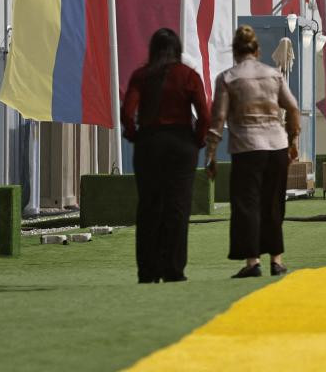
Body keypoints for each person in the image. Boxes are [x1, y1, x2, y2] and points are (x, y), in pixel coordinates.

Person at [206, 25, 301, 278]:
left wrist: (211, 154)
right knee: (273, 203)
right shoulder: (273, 75)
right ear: (257, 51)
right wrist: (293, 140)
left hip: (247, 147)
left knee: (247, 205)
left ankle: (253, 262)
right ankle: (277, 261)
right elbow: (292, 108)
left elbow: (218, 119)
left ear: (235, 53)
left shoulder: (227, 78)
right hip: (277, 146)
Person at [121, 28, 211, 284]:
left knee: (149, 206)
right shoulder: (189, 76)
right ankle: (173, 268)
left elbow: (127, 112)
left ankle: (147, 270)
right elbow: (204, 115)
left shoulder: (141, 76)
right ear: (178, 50)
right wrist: (197, 139)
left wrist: (133, 134)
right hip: (181, 144)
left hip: (149, 143)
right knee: (177, 207)